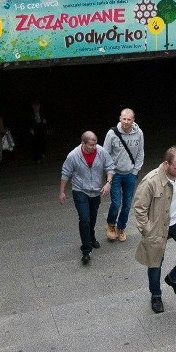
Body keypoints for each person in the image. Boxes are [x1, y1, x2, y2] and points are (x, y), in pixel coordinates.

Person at [132, 145, 176, 314]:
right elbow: (139, 208)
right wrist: (147, 230)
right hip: (157, 227)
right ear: (166, 164)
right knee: (155, 263)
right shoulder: (150, 181)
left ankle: (173, 278)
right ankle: (156, 295)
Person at [59, 131, 115, 264]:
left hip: (96, 191)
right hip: (80, 190)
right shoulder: (73, 155)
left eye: (95, 144)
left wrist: (108, 183)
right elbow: (65, 172)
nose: (94, 147)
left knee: (92, 216)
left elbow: (110, 167)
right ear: (83, 143)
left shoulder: (101, 152)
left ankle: (91, 237)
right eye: (91, 145)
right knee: (84, 218)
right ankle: (86, 250)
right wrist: (61, 192)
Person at [103, 108, 145, 242]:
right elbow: (105, 154)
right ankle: (110, 225)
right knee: (116, 203)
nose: (126, 122)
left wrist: (135, 171)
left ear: (133, 120)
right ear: (120, 118)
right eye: (124, 119)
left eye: (129, 119)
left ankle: (121, 227)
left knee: (127, 204)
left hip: (130, 174)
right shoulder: (112, 134)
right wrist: (109, 173)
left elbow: (140, 153)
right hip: (115, 174)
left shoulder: (139, 133)